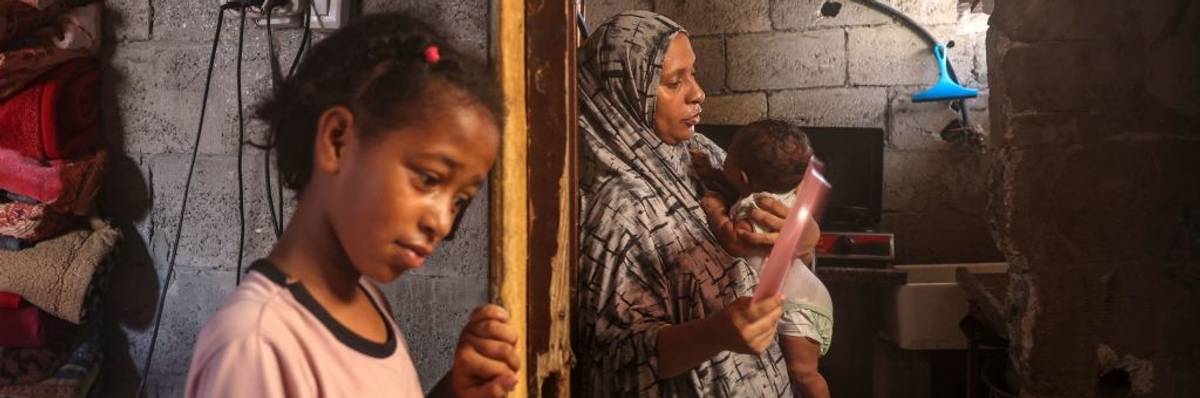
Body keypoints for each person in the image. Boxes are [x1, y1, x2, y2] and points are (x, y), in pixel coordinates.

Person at [184, 13, 519, 398]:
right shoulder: (257, 346)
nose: (442, 223)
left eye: (460, 200)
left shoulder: (370, 304)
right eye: (428, 179)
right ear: (338, 141)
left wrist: (455, 392)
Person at [575, 11, 799, 397]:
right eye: (674, 82)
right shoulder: (618, 209)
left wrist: (801, 236)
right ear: (627, 94)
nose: (698, 93)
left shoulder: (696, 152)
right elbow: (611, 366)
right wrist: (715, 333)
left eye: (692, 74)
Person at [720, 120, 832, 398]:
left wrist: (714, 210)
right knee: (802, 374)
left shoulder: (754, 206)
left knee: (804, 373)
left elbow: (735, 241)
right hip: (803, 296)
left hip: (797, 304)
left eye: (727, 156)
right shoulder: (789, 197)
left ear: (742, 176)